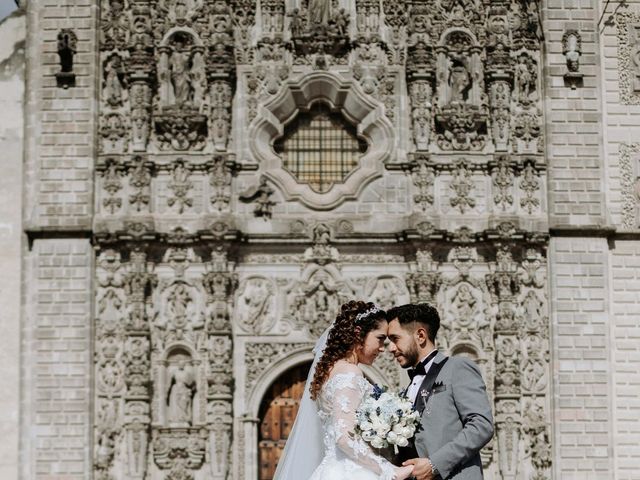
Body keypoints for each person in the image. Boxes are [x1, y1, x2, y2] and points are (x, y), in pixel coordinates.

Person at [275, 301, 414, 480]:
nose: (382, 348)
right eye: (379, 338)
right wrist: (389, 470)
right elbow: (344, 438)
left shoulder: (330, 370)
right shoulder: (350, 372)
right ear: (358, 334)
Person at [386, 303, 493, 480]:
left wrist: (435, 464)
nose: (391, 348)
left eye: (395, 339)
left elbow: (481, 425)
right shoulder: (407, 389)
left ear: (420, 335)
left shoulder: (457, 368)